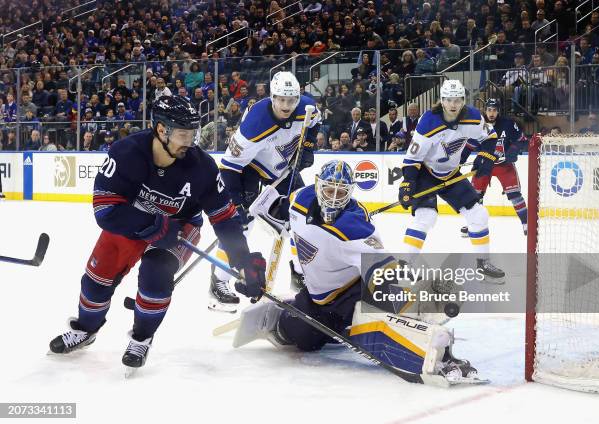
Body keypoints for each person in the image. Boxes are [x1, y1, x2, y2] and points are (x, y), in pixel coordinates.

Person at [49, 96, 267, 372]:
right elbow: (104, 210)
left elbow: (224, 219)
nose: (190, 141)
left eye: (193, 134)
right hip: (130, 221)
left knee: (155, 276)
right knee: (96, 280)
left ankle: (142, 337)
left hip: (181, 226)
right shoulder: (125, 152)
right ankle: (86, 329)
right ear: (161, 130)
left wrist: (244, 261)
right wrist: (151, 224)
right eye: (183, 134)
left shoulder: (203, 168)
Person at [233, 160, 483, 384]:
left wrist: (407, 300)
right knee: (303, 339)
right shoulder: (300, 199)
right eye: (329, 190)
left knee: (374, 324)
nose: (333, 198)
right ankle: (295, 317)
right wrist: (250, 257)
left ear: (350, 192)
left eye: (341, 193)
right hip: (317, 297)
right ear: (318, 186)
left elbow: (381, 269)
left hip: (353, 291)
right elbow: (277, 213)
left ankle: (429, 332)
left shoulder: (355, 227)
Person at [212, 72, 321, 312]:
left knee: (300, 215)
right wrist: (236, 203)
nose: (286, 106)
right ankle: (218, 280)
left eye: (291, 100)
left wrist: (309, 147)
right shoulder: (255, 125)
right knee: (241, 226)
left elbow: (314, 125)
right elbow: (229, 166)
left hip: (281, 168)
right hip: (247, 168)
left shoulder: (308, 107)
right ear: (272, 97)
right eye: (281, 99)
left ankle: (299, 273)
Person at [397, 80, 504, 282]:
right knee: (426, 216)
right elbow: (413, 158)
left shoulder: (473, 117)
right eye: (448, 100)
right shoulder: (428, 122)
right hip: (425, 173)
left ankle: (483, 263)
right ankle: (404, 265)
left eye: (457, 100)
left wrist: (487, 159)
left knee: (479, 214)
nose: (453, 104)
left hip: (451, 173)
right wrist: (407, 183)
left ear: (463, 100)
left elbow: (490, 137)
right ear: (442, 100)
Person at [460, 99, 529, 237]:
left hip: (504, 166)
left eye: (494, 110)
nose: (491, 113)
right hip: (485, 164)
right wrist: (460, 161)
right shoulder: (479, 125)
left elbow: (522, 140)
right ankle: (474, 224)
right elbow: (469, 146)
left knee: (514, 195)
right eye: (489, 110)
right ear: (485, 110)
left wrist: (513, 150)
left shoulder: (508, 124)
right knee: (475, 196)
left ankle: (526, 224)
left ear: (498, 111)